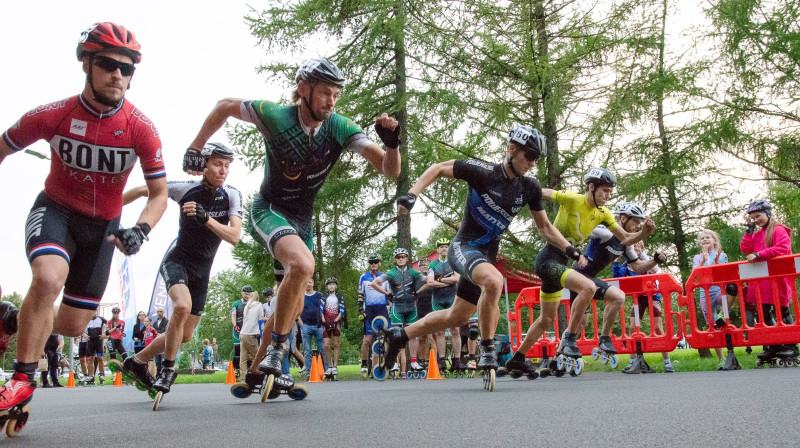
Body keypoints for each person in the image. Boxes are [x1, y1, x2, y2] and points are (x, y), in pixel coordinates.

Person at [184, 58, 401, 386]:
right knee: (303, 265)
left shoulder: (339, 127)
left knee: (293, 301)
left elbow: (390, 169)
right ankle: (279, 349)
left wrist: (392, 144)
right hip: (269, 210)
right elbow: (224, 106)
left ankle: (256, 373)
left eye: (336, 95)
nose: (331, 101)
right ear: (304, 89)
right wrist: (196, 147)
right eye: (325, 93)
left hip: (302, 221)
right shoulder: (274, 116)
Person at [0, 22, 167, 412]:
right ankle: (22, 379)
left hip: (103, 230)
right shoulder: (54, 114)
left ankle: (9, 321)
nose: (117, 75)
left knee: (74, 326)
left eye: (127, 69)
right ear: (86, 63)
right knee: (47, 278)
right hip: (55, 211)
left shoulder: (140, 128)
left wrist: (141, 230)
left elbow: (158, 195)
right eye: (108, 64)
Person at [384, 124, 577, 386]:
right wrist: (412, 194)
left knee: (457, 316)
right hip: (463, 247)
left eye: (536, 159)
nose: (532, 163)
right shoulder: (484, 172)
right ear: (512, 149)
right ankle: (487, 349)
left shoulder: (529, 187)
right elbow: (440, 168)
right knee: (495, 281)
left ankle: (399, 336)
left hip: (485, 256)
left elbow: (544, 227)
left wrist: (568, 248)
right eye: (528, 156)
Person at [118, 143, 242, 396]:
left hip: (202, 271)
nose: (223, 170)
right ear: (204, 164)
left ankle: (137, 361)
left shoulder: (231, 194)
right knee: (182, 307)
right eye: (217, 164)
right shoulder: (185, 188)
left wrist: (206, 218)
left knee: (185, 335)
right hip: (177, 262)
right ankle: (168, 369)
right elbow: (145, 190)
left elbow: (235, 236)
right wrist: (105, 210)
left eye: (227, 166)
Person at [513, 168, 654, 375]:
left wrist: (644, 232)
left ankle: (517, 359)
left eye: (610, 192)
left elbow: (624, 238)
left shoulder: (603, 214)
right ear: (591, 187)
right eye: (605, 191)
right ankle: (568, 340)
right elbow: (542, 192)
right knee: (586, 288)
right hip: (549, 259)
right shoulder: (572, 199)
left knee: (546, 320)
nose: (608, 196)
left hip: (562, 264)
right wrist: (517, 187)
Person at [740, 199, 797, 363]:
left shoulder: (778, 229)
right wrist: (749, 231)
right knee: (763, 312)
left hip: (778, 277)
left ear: (767, 214)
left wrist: (759, 255)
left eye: (758, 216)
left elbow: (782, 248)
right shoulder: (757, 234)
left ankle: (791, 346)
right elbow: (745, 248)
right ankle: (775, 345)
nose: (756, 220)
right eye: (753, 218)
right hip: (763, 280)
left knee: (783, 310)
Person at [616, 241, 674, 373]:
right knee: (632, 328)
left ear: (642, 248)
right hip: (638, 299)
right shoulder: (628, 265)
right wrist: (615, 263)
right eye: (632, 246)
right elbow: (618, 277)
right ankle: (632, 361)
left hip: (653, 296)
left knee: (658, 328)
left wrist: (643, 258)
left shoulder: (648, 259)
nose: (635, 248)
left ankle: (667, 362)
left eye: (638, 246)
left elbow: (656, 270)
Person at [371, 248, 428, 377]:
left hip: (411, 306)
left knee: (413, 334)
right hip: (397, 306)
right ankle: (394, 363)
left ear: (407, 258)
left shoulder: (414, 272)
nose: (401, 258)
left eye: (403, 256)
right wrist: (386, 293)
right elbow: (374, 283)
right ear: (395, 259)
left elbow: (428, 281)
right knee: (395, 335)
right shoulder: (390, 273)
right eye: (398, 257)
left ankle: (414, 362)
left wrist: (418, 292)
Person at [426, 238, 464, 374]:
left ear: (449, 249)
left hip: (452, 298)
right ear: (437, 250)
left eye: (446, 247)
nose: (443, 249)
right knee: (439, 332)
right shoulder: (432, 265)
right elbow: (430, 282)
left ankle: (457, 360)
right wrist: (447, 282)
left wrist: (440, 280)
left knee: (455, 330)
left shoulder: (454, 263)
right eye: (441, 247)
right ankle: (441, 361)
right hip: (437, 300)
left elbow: (457, 278)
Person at [692, 229, 729, 368]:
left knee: (727, 302)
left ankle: (722, 314)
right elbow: (695, 274)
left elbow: (724, 272)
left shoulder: (721, 255)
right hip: (704, 293)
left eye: (708, 237)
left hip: (719, 290)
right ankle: (721, 359)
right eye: (702, 238)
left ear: (714, 240)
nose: (705, 240)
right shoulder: (697, 257)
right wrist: (704, 260)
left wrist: (717, 261)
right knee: (712, 326)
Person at [358, 253, 390, 377]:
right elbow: (360, 294)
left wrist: (390, 308)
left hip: (382, 309)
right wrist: (360, 310)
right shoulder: (363, 277)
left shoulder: (385, 276)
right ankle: (365, 364)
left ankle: (383, 364)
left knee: (383, 339)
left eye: (376, 262)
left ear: (379, 263)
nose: (373, 265)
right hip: (369, 310)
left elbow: (388, 294)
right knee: (367, 339)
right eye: (371, 262)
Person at [299, 280, 327, 379]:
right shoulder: (301, 295)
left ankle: (327, 372)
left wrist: (323, 323)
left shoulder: (319, 295)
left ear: (313, 283)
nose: (308, 284)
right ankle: (309, 374)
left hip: (318, 326)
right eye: (306, 282)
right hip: (305, 326)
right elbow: (297, 310)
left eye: (310, 282)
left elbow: (324, 309)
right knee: (307, 351)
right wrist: (301, 324)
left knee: (323, 349)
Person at [321, 277, 345, 379]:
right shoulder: (323, 297)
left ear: (336, 286)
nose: (331, 286)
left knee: (336, 344)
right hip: (325, 322)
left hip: (336, 322)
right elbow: (320, 310)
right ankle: (329, 366)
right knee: (326, 345)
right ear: (327, 286)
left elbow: (342, 310)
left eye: (333, 284)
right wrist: (324, 321)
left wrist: (336, 320)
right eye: (329, 284)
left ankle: (335, 366)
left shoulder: (339, 297)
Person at [415, 258, 434, 368]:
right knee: (421, 337)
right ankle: (421, 361)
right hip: (419, 308)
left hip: (431, 308)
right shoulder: (417, 278)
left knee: (430, 337)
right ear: (419, 267)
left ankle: (429, 361)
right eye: (422, 265)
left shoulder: (433, 277)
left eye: (426, 265)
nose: (424, 267)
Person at [240, 289, 264, 374]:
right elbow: (260, 320)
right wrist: (262, 334)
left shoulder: (247, 306)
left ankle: (243, 377)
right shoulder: (259, 305)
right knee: (258, 356)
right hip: (251, 334)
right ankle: (258, 373)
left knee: (243, 358)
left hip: (242, 333)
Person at [231, 285, 251, 376]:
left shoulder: (252, 304)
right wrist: (235, 325)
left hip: (249, 329)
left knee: (250, 350)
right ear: (242, 293)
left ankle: (249, 369)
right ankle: (237, 370)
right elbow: (233, 315)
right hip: (238, 329)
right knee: (238, 350)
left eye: (248, 294)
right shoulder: (236, 303)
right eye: (245, 294)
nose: (246, 296)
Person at [83, 311, 106, 384]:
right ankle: (91, 375)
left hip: (99, 341)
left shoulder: (101, 319)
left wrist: (105, 334)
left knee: (100, 358)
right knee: (90, 359)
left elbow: (109, 325)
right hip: (90, 341)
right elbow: (80, 329)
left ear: (96, 312)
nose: (93, 313)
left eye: (94, 312)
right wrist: (85, 336)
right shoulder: (86, 320)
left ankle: (101, 374)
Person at [152, 307, 169, 375]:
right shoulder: (155, 323)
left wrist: (156, 332)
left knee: (163, 360)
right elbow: (152, 331)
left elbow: (164, 330)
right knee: (157, 361)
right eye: (158, 312)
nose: (159, 313)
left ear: (163, 312)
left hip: (163, 342)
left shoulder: (166, 321)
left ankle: (163, 375)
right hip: (156, 343)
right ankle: (158, 376)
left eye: (160, 311)